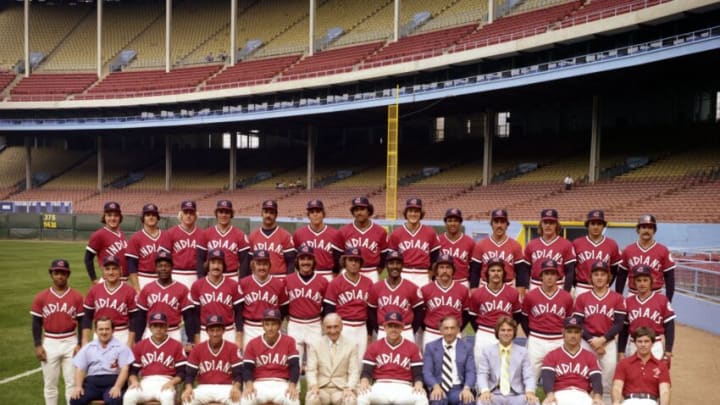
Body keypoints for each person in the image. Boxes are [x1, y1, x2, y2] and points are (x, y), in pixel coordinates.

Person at [31, 259, 84, 405]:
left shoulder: (77, 296)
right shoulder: (41, 297)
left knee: (72, 383)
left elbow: (82, 322)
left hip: (70, 342)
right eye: (56, 273)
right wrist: (37, 345)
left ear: (68, 275)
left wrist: (80, 343)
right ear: (51, 274)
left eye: (63, 273)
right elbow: (36, 322)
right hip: (49, 342)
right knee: (50, 385)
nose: (60, 276)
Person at [573, 260, 626, 404]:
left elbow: (619, 323)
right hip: (586, 342)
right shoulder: (582, 298)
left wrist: (602, 340)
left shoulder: (617, 298)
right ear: (590, 278)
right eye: (596, 274)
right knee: (583, 382)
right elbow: (578, 323)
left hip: (607, 344)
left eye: (603, 274)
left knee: (607, 385)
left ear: (608, 277)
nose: (599, 277)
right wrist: (593, 341)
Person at [357, 312, 428, 405]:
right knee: (362, 396)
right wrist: (364, 381)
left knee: (421, 398)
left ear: (402, 327)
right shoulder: (374, 346)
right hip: (380, 386)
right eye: (390, 326)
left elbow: (417, 373)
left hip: (404, 387)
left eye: (397, 326)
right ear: (384, 327)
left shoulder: (412, 347)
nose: (393, 329)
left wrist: (418, 383)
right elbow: (366, 371)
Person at [519, 259, 574, 381]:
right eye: (546, 273)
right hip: (536, 340)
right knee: (529, 380)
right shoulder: (531, 296)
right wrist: (531, 335)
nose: (549, 277)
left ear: (558, 277)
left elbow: (569, 322)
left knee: (560, 380)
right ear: (541, 276)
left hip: (558, 340)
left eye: (553, 274)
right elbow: (524, 318)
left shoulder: (566, 297)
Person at [323, 247, 374, 364]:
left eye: (357, 260)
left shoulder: (368, 283)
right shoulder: (336, 282)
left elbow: (370, 311)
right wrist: (332, 330)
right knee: (341, 363)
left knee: (360, 363)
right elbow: (329, 310)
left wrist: (370, 333)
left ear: (361, 263)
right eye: (350, 260)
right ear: (344, 262)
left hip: (361, 327)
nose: (354, 263)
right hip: (343, 326)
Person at [124, 312, 186, 405]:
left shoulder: (176, 345)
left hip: (166, 382)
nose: (158, 329)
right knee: (129, 396)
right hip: (146, 383)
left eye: (161, 326)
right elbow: (133, 371)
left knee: (167, 397)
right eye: (155, 326)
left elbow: (182, 372)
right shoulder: (141, 345)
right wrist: (134, 381)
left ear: (167, 327)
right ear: (150, 327)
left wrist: (172, 382)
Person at [134, 251, 195, 343]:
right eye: (160, 266)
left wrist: (190, 340)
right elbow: (141, 317)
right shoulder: (147, 288)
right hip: (152, 331)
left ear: (172, 267)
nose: (163, 269)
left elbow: (188, 318)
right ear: (156, 268)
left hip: (173, 331)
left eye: (166, 266)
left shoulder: (182, 289)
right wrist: (137, 339)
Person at [242, 308, 301, 405]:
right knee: (246, 399)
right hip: (259, 384)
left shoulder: (289, 341)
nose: (270, 328)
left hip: (281, 384)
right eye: (267, 324)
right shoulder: (253, 343)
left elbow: (294, 367)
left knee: (293, 400)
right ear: (263, 325)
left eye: (273, 324)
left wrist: (292, 385)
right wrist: (249, 385)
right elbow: (247, 369)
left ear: (279, 325)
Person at [70, 317, 134, 405]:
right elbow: (80, 369)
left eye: (107, 329)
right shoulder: (88, 348)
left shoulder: (121, 347)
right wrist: (78, 386)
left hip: (113, 382)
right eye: (101, 329)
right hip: (91, 384)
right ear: (96, 331)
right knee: (76, 399)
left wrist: (117, 387)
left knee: (114, 400)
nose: (104, 332)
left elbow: (125, 369)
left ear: (113, 330)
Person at [468, 258, 522, 361]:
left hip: (505, 334)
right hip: (484, 333)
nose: (496, 273)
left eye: (499, 270)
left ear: (503, 273)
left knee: (504, 371)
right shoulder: (478, 293)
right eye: (492, 270)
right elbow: (472, 316)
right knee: (481, 371)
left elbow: (517, 315)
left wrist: (508, 330)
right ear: (487, 273)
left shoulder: (513, 292)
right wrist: (482, 329)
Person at [541, 317, 603, 405]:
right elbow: (547, 379)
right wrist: (550, 395)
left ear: (581, 333)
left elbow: (596, 380)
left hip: (582, 395)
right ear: (563, 332)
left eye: (576, 332)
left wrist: (597, 397)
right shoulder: (552, 355)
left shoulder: (590, 356)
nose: (573, 335)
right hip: (559, 394)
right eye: (569, 332)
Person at [618, 266, 675, 362]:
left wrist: (668, 351)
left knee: (654, 375)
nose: (642, 283)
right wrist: (621, 351)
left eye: (645, 280)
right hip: (633, 344)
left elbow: (669, 327)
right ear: (634, 282)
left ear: (651, 281)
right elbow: (624, 330)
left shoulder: (662, 300)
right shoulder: (628, 302)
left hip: (655, 344)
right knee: (633, 376)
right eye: (639, 280)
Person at [182, 315, 243, 405]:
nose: (215, 334)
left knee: (240, 401)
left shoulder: (232, 348)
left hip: (226, 388)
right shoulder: (198, 348)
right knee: (187, 400)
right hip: (204, 388)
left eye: (218, 330)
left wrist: (236, 387)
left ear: (223, 331)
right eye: (212, 330)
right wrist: (188, 388)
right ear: (207, 331)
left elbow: (238, 374)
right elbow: (189, 374)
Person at [477, 317, 538, 405]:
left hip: (516, 394)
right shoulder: (487, 351)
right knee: (482, 402)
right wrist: (485, 390)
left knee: (533, 402)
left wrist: (529, 391)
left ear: (514, 333)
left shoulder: (523, 352)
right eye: (503, 330)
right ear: (497, 332)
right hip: (494, 393)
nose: (506, 333)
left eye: (509, 330)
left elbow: (528, 375)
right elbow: (482, 373)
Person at [285, 244, 328, 366]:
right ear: (297, 261)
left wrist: (321, 319)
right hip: (295, 324)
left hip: (314, 324)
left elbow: (327, 305)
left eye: (309, 259)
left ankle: (313, 386)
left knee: (315, 364)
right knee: (294, 362)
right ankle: (295, 386)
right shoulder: (288, 280)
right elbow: (283, 304)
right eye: (302, 259)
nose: (305, 262)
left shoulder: (323, 281)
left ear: (314, 261)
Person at [616, 215, 676, 301]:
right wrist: (619, 298)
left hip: (655, 294)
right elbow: (621, 276)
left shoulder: (663, 250)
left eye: (650, 227)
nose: (646, 230)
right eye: (643, 227)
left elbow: (669, 277)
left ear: (654, 230)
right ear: (638, 230)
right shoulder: (628, 250)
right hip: (633, 294)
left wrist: (668, 300)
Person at [190, 249, 242, 348]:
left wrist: (239, 336)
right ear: (207, 264)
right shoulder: (197, 285)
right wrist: (196, 336)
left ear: (224, 266)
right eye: (213, 263)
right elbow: (195, 314)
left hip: (228, 330)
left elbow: (239, 313)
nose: (216, 266)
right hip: (205, 330)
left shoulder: (233, 285)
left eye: (219, 263)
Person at [238, 249, 290, 349]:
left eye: (265, 264)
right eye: (259, 264)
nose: (262, 267)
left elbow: (284, 307)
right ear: (253, 265)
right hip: (250, 328)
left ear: (270, 265)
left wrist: (276, 325)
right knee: (250, 361)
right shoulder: (243, 283)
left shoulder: (279, 284)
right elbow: (239, 310)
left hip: (272, 327)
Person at [82, 255, 138, 347]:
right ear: (103, 271)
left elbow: (134, 319)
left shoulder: (129, 291)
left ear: (120, 270)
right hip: (100, 333)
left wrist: (130, 341)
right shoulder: (94, 290)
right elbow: (87, 317)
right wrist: (85, 339)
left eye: (114, 269)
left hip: (121, 334)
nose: (111, 272)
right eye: (107, 269)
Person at [368, 250, 423, 341]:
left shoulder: (412, 287)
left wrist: (411, 330)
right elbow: (371, 311)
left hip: (405, 330)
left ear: (402, 266)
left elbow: (419, 312)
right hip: (383, 329)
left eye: (398, 263)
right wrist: (379, 330)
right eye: (391, 263)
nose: (395, 266)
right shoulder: (376, 287)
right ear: (386, 265)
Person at [305, 313, 360, 405]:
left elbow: (354, 371)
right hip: (320, 388)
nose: (333, 331)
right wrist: (313, 385)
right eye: (329, 327)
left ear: (342, 326)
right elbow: (311, 370)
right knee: (312, 399)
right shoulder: (315, 344)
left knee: (350, 400)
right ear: (323, 328)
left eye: (336, 327)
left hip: (342, 388)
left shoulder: (351, 345)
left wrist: (349, 388)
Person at [470, 209, 528, 295]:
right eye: (496, 222)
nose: (499, 225)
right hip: (485, 286)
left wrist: (520, 292)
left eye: (502, 222)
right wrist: (473, 289)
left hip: (508, 286)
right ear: (491, 224)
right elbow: (475, 271)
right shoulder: (481, 245)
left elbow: (521, 272)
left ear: (507, 225)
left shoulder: (515, 245)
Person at [419, 254, 470, 350]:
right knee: (430, 364)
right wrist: (427, 327)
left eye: (448, 267)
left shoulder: (462, 290)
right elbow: (421, 313)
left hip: (454, 333)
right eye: (441, 267)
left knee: (455, 364)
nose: (445, 271)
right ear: (436, 270)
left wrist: (457, 328)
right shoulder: (426, 289)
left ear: (453, 270)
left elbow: (466, 313)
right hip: (432, 333)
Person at [422, 316, 476, 405]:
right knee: (437, 400)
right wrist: (435, 386)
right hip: (438, 387)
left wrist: (467, 388)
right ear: (440, 330)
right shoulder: (431, 347)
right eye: (446, 328)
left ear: (458, 330)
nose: (449, 332)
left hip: (459, 388)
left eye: (452, 328)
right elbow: (427, 372)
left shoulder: (467, 347)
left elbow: (470, 371)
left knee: (468, 401)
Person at [388, 198, 441, 287]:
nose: (413, 214)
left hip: (423, 274)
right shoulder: (396, 233)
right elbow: (390, 258)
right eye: (410, 211)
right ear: (406, 213)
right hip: (403, 272)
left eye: (416, 211)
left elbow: (435, 257)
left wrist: (431, 274)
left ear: (421, 214)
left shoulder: (430, 232)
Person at [612, 327, 671, 405]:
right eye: (639, 341)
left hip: (650, 402)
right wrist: (616, 402)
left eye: (646, 341)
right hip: (630, 401)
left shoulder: (661, 366)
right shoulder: (624, 364)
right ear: (635, 343)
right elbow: (617, 387)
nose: (643, 345)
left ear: (652, 343)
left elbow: (665, 391)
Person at [197, 199, 250, 282]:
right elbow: (200, 259)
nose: (224, 215)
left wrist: (242, 280)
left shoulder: (240, 235)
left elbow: (244, 263)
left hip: (232, 276)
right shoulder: (206, 234)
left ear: (231, 214)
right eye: (221, 212)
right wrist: (201, 278)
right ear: (216, 214)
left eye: (227, 212)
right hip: (211, 277)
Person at [523, 209, 576, 292]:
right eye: (545, 222)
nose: (548, 225)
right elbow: (525, 270)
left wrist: (566, 290)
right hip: (535, 284)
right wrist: (526, 287)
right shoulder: (531, 244)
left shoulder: (566, 244)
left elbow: (570, 272)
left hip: (558, 285)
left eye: (551, 223)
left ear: (556, 225)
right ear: (541, 224)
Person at [572, 210, 622, 297]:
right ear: (588, 225)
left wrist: (607, 284)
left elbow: (614, 269)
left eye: (599, 224)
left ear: (603, 226)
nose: (596, 227)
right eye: (593, 223)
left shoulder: (612, 244)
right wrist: (575, 284)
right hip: (583, 287)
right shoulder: (577, 243)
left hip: (603, 288)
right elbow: (571, 268)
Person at [339, 197, 389, 283]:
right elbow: (339, 254)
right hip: (349, 271)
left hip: (371, 271)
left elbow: (384, 254)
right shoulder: (343, 231)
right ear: (353, 212)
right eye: (356, 210)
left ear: (368, 211)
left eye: (362, 209)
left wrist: (378, 270)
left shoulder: (380, 231)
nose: (359, 212)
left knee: (372, 296)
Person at [293, 199, 343, 280]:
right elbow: (295, 258)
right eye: (312, 212)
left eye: (318, 211)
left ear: (323, 214)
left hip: (328, 274)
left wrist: (336, 274)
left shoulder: (335, 234)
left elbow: (339, 259)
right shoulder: (298, 234)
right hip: (306, 274)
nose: (315, 214)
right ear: (308, 215)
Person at [160, 200, 203, 291]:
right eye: (185, 212)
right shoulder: (170, 233)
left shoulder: (202, 234)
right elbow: (163, 258)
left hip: (195, 274)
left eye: (191, 213)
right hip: (176, 274)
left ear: (196, 216)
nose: (188, 215)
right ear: (181, 215)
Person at [247, 200, 296, 279]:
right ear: (261, 214)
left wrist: (289, 281)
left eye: (271, 213)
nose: (268, 215)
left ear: (276, 215)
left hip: (279, 278)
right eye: (266, 212)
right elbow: (249, 263)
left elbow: (291, 263)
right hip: (259, 279)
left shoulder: (285, 235)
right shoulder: (253, 236)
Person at [85, 201, 128, 284]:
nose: (113, 218)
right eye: (109, 215)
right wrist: (93, 278)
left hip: (124, 280)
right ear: (104, 217)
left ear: (120, 217)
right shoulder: (98, 235)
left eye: (116, 215)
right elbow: (88, 258)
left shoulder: (121, 233)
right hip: (109, 280)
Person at [126, 203, 165, 292]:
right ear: (143, 218)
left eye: (153, 215)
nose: (151, 217)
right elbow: (132, 266)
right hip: (144, 278)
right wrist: (136, 288)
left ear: (158, 218)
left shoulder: (166, 236)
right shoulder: (136, 238)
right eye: (147, 215)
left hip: (163, 278)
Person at [437, 208, 475, 287]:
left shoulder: (470, 242)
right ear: (445, 223)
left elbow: (473, 268)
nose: (453, 223)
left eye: (456, 221)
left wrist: (472, 286)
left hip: (462, 281)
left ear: (460, 223)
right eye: (450, 220)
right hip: (441, 282)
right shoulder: (438, 240)